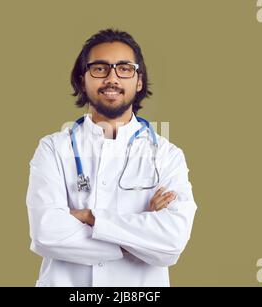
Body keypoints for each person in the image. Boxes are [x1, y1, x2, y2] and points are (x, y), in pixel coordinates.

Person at [26, 28, 198, 287]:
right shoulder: (53, 148)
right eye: (100, 68)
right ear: (82, 79)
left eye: (125, 68)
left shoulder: (167, 155)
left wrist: (91, 218)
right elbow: (46, 234)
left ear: (139, 80)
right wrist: (137, 239)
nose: (112, 78)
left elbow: (171, 243)